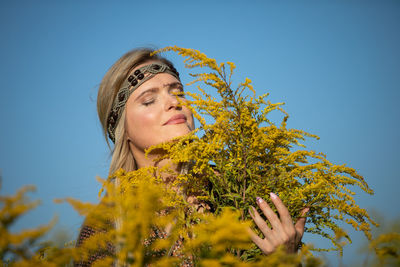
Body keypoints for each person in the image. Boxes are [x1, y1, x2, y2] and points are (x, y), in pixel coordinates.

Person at [75, 48, 308, 266]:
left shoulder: (239, 193)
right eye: (149, 100)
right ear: (122, 129)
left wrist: (283, 259)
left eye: (178, 92)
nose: (174, 103)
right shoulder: (107, 228)